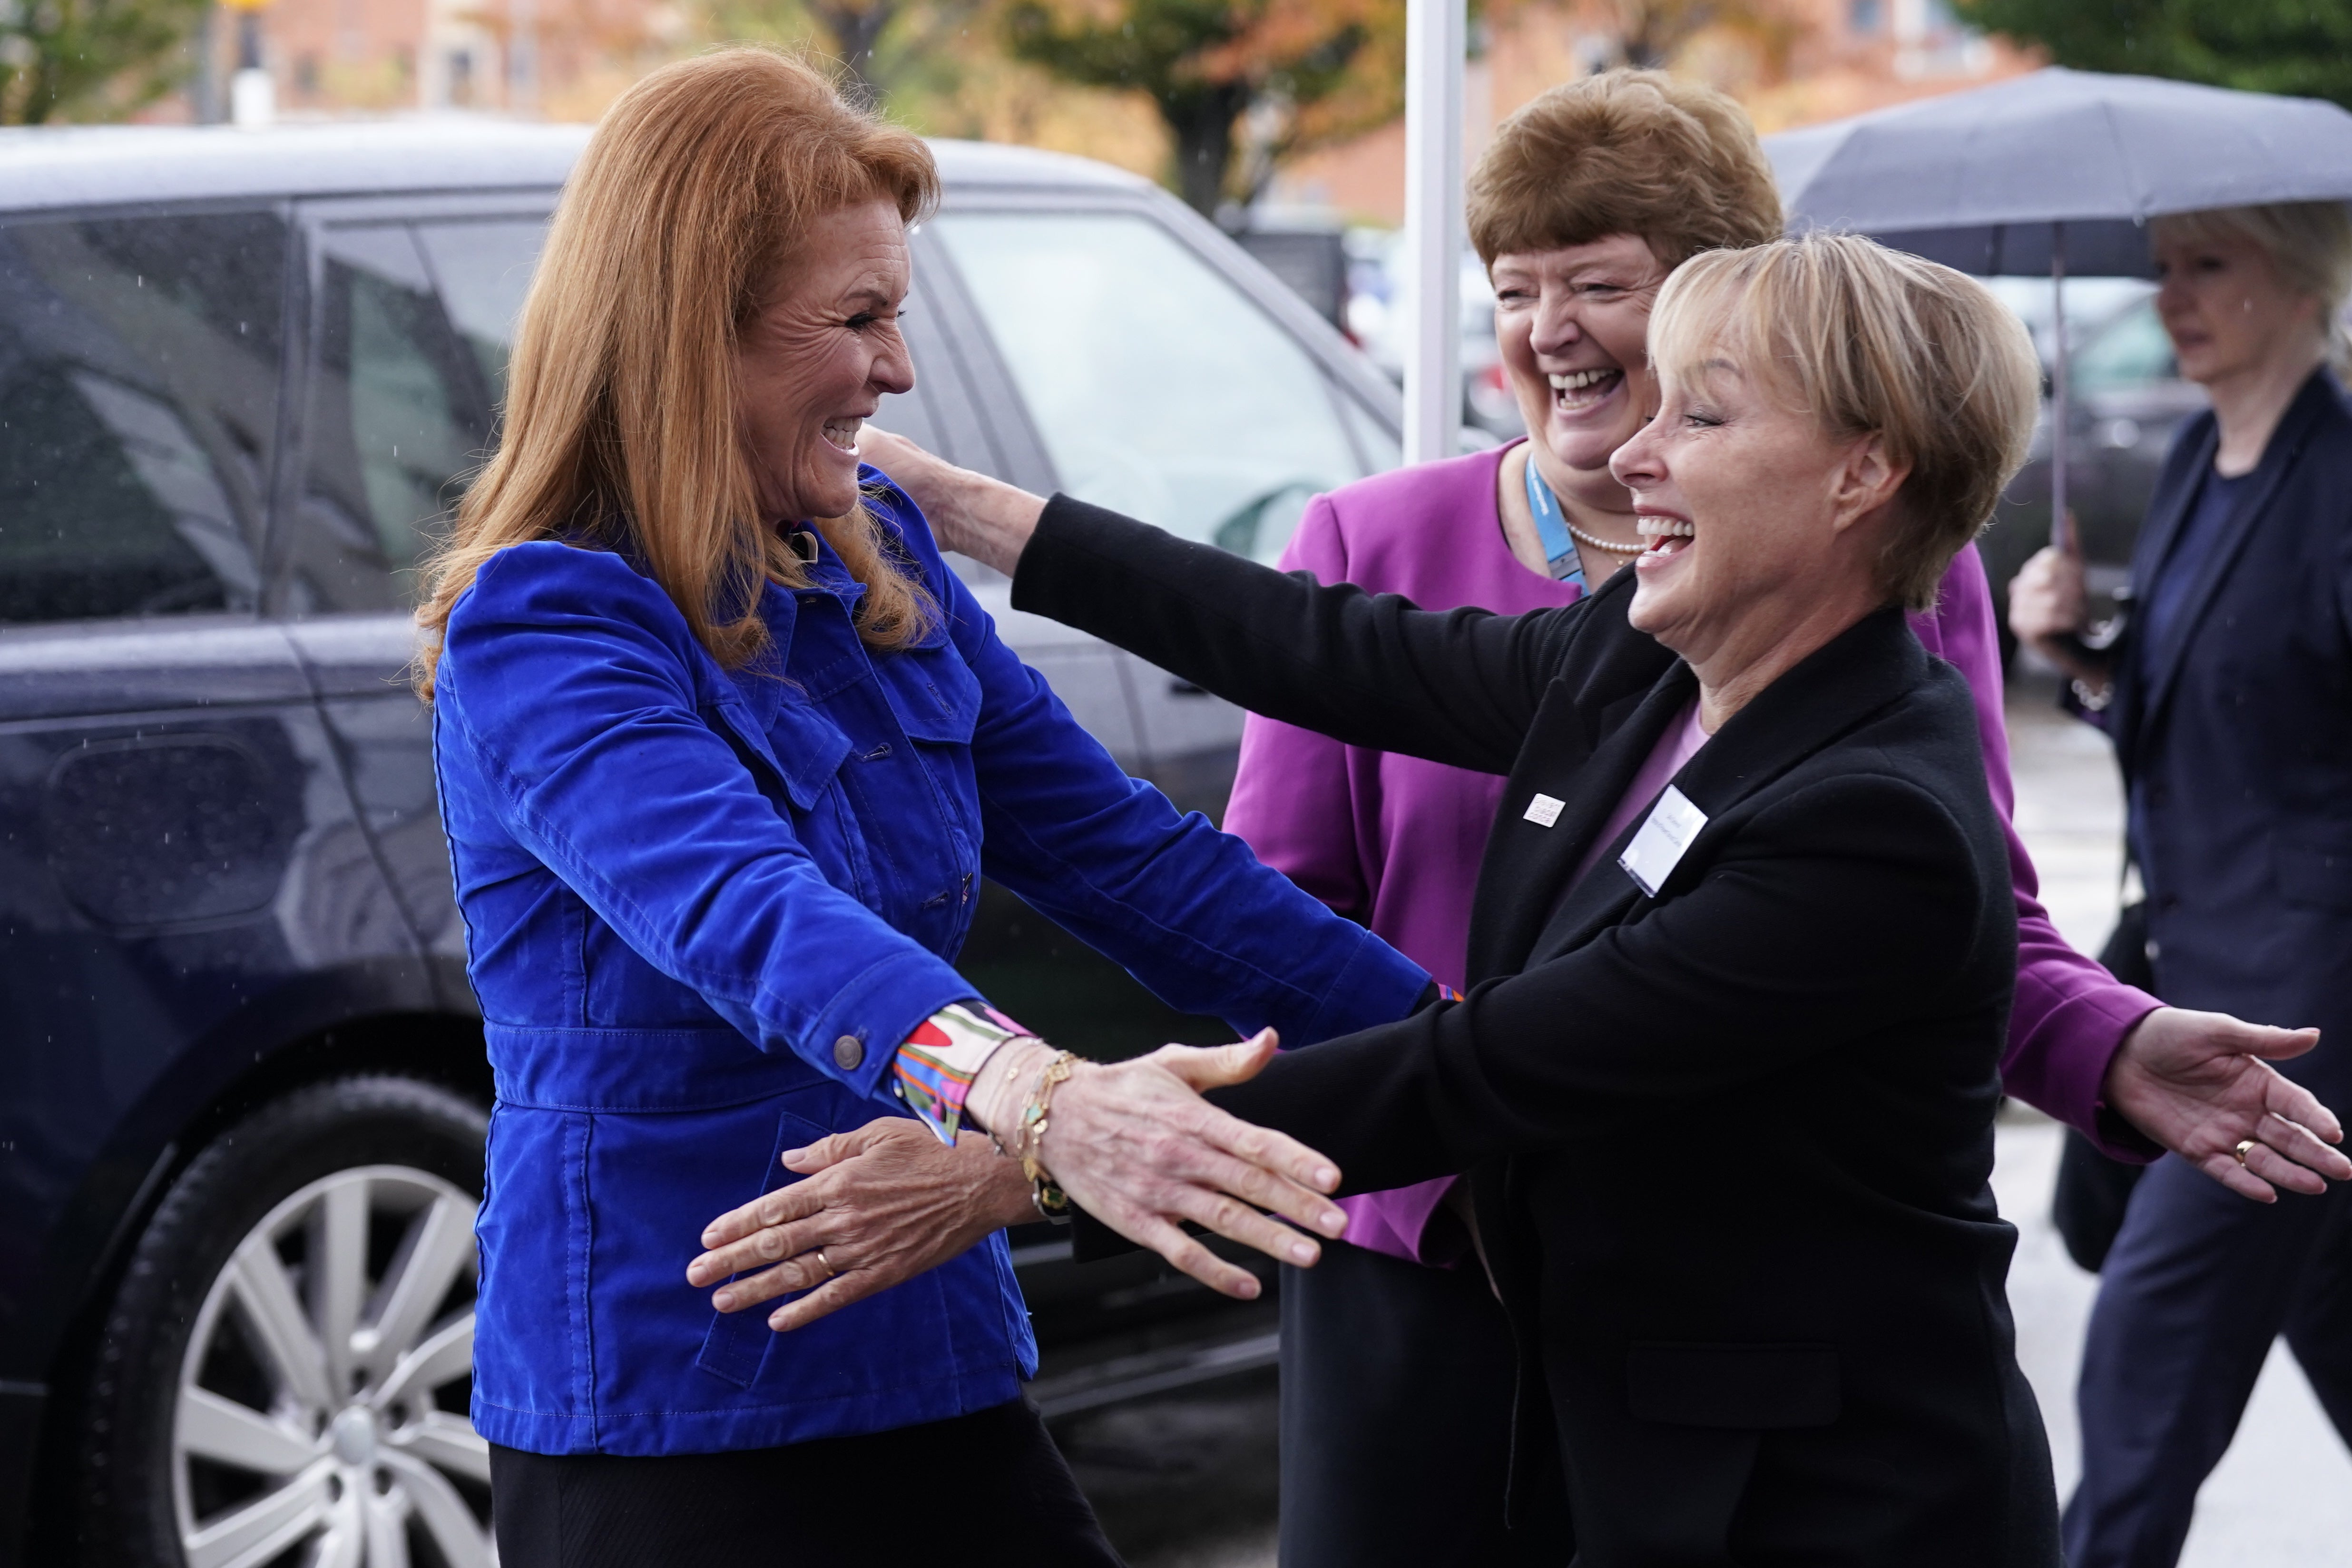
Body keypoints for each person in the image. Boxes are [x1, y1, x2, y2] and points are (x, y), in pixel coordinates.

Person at [866, 230, 2262, 1564]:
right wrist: (959, 507)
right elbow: (1319, 645)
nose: (1636, 455)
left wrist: (1036, 1156)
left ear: (1864, 474)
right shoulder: (1652, 661)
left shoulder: (1870, 819)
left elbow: (1483, 1071)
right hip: (1644, 1462)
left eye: (1703, 420)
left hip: (1832, 1505)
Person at [1219, 71, 2352, 1568]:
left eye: (1600, 284)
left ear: (1724, 310)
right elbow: (1265, 914)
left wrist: (2104, 1039)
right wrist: (1459, 1113)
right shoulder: (1373, 539)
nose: (1549, 328)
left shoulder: (1886, 571)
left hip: (1702, 1310)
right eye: (1516, 287)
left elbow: (1956, 904)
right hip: (1423, 1259)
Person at [418, 48, 1425, 1566]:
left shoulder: (867, 550)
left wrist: (1476, 1056)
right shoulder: (549, 619)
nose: (899, 373)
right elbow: (751, 912)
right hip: (669, 1404)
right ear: (697, 332)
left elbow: (1143, 866)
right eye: (861, 320)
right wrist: (1044, 1102)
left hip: (929, 1359)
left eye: (902, 315)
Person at [2010, 199, 2352, 1568]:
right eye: (2162, 271)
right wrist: (2084, 654)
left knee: (2144, 1363)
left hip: (2305, 1013)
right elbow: (2208, 711)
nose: (2170, 298)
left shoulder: (2339, 476)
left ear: (2298, 278)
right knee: (2327, 1318)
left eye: (2207, 267)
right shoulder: (2212, 458)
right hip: (2199, 967)